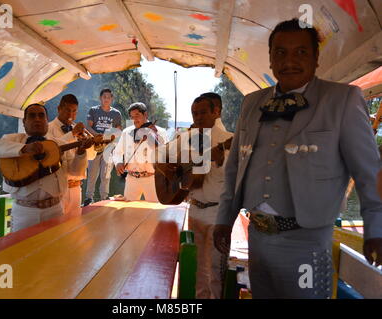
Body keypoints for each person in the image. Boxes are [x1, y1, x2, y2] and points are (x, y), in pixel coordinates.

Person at [213, 18, 382, 299]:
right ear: (270, 59)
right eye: (280, 52)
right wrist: (224, 219)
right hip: (257, 237)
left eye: (301, 52)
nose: (289, 60)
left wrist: (376, 228)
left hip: (307, 242)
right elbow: (234, 169)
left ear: (316, 59)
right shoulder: (252, 103)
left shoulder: (342, 100)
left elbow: (368, 172)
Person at [158, 96, 233, 298]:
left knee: (217, 271)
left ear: (216, 112)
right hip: (195, 209)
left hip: (219, 214)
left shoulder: (230, 140)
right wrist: (164, 167)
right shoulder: (187, 138)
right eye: (194, 113)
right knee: (200, 269)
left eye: (203, 112)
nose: (198, 117)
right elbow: (157, 154)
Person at [0, 103, 92, 232]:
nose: (37, 119)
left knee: (54, 250)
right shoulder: (13, 140)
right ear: (24, 122)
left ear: (47, 121)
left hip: (55, 210)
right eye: (32, 116)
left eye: (41, 116)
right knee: (22, 250)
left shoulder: (59, 144)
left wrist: (81, 153)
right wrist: (24, 149)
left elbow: (76, 172)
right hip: (24, 213)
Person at [48, 94, 96, 215]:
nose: (71, 115)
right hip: (58, 190)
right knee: (57, 229)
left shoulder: (78, 130)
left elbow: (91, 156)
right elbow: (53, 150)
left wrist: (88, 143)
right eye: (67, 110)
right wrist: (72, 134)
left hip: (76, 189)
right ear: (59, 109)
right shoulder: (48, 128)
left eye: (74, 111)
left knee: (75, 228)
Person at [113, 102, 167, 202]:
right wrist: (118, 162)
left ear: (145, 114)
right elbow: (117, 152)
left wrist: (153, 138)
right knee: (128, 210)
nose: (135, 120)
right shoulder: (126, 132)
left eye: (137, 115)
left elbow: (165, 154)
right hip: (131, 178)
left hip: (152, 179)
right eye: (132, 117)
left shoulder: (160, 131)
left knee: (154, 211)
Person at [84, 88, 122, 205]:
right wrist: (96, 135)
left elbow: (118, 130)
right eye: (104, 97)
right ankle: (89, 198)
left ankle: (104, 198)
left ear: (111, 99)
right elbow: (88, 127)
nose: (106, 99)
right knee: (92, 173)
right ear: (100, 98)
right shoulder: (94, 110)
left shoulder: (116, 113)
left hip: (108, 147)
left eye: (108, 97)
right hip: (94, 146)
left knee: (106, 175)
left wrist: (110, 135)